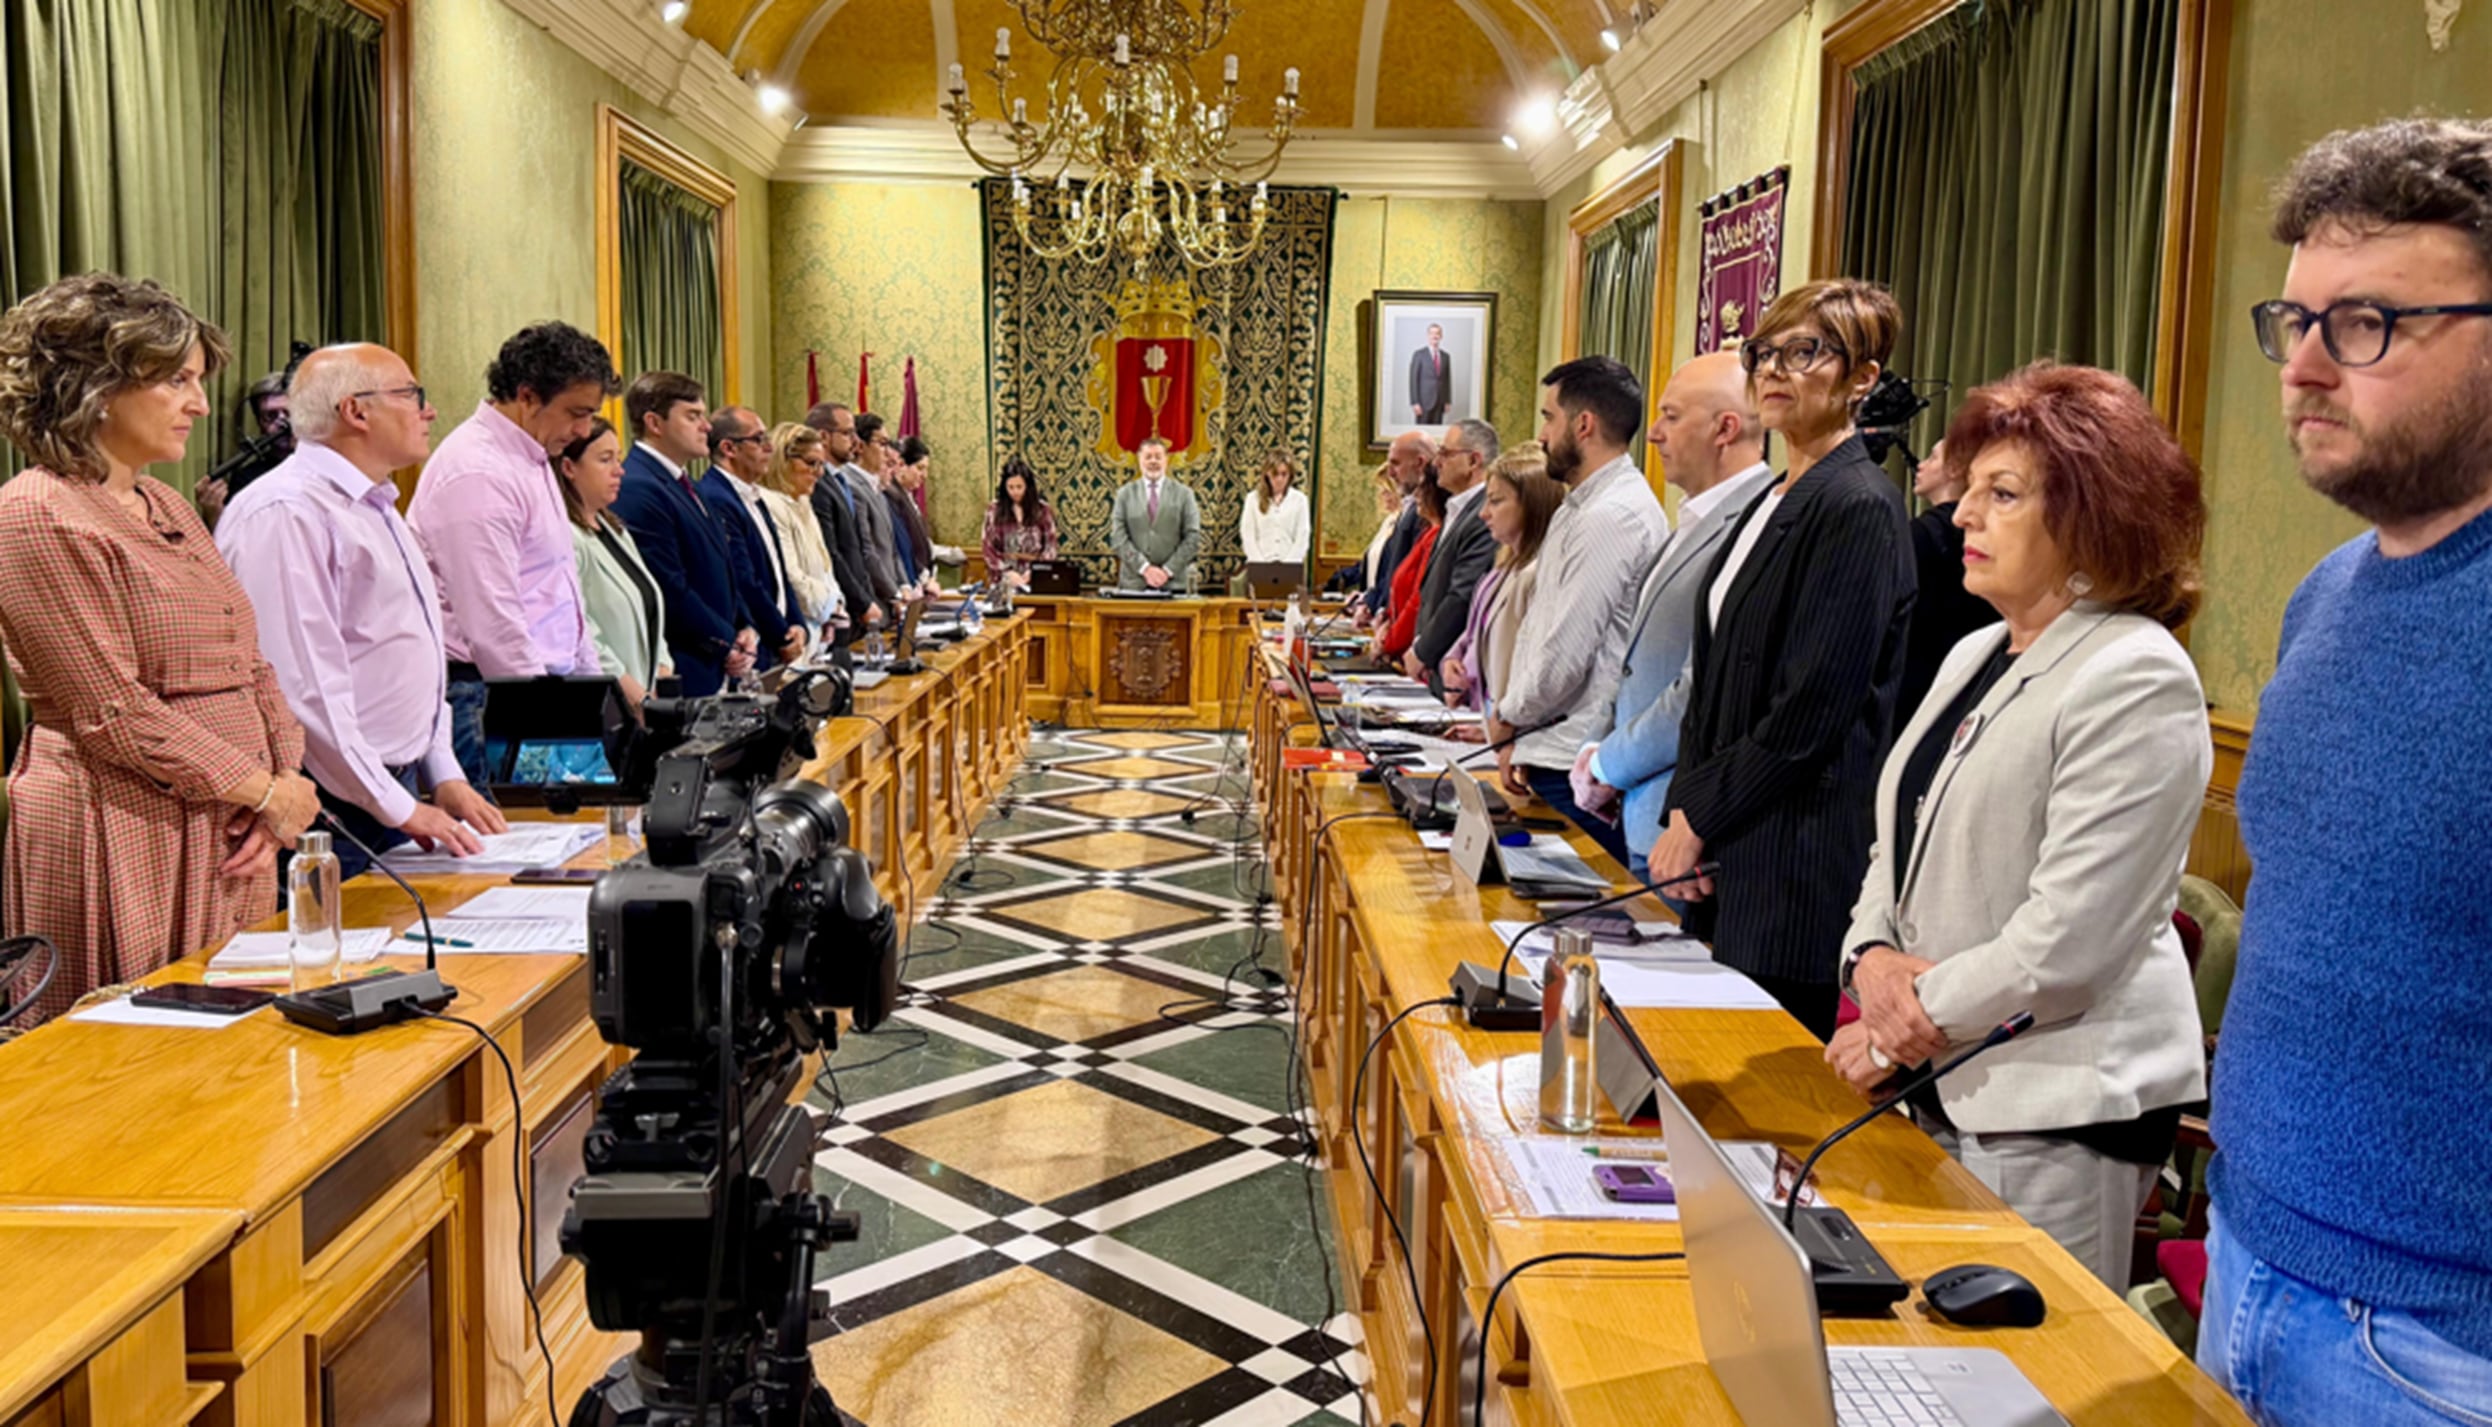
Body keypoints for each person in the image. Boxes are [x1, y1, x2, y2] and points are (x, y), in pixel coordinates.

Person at [2197, 117, 2492, 1425]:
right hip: (2247, 1263)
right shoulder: (2327, 592)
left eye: (2365, 322)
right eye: (2295, 321)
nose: (2306, 367)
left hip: (2439, 1347)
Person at [1827, 363, 2212, 1288]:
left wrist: (1898, 1024)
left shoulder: (2136, 673)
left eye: (2003, 494)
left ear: (2094, 519)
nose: (1962, 513)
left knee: (2024, 1364)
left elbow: (2069, 938)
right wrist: (1869, 958)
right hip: (1942, 1079)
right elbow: (1897, 843)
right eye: (1971, 488)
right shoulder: (1977, 649)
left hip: (2055, 1107)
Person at [0, 274, 319, 1023]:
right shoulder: (35, 513)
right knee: (129, 1057)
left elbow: (249, 662)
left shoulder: (164, 502)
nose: (200, 405)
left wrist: (285, 781)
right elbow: (112, 711)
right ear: (94, 386)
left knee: (230, 1045)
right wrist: (263, 791)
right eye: (177, 380)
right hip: (118, 821)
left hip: (231, 825)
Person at [1652, 279, 1916, 1041]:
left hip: (1793, 861)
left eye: (1803, 352)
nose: (1773, 369)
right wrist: (1685, 809)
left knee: (1759, 1090)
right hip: (1732, 846)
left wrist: (1700, 816)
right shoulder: (1774, 495)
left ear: (1862, 377)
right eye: (1763, 352)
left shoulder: (1859, 504)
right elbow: (1717, 682)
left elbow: (1809, 711)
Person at [215, 343, 507, 881]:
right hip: (330, 801)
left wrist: (441, 770)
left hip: (386, 789)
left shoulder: (375, 503)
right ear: (355, 411)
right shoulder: (286, 511)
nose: (428, 411)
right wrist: (396, 806)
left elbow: (413, 654)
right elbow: (304, 690)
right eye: (412, 395)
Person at [1568, 353, 1777, 873]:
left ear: (1725, 429)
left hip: (1685, 826)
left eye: (1672, 416)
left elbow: (1701, 685)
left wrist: (1609, 762)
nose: (1655, 434)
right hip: (1640, 806)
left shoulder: (1757, 524)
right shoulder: (1692, 518)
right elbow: (1633, 662)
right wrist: (1594, 748)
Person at [407, 322, 615, 786]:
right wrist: (548, 726)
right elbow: (493, 623)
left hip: (538, 690)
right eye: (576, 413)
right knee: (514, 832)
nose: (583, 431)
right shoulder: (478, 471)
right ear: (527, 396)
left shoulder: (531, 455)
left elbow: (558, 588)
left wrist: (592, 692)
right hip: (490, 698)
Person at [1491, 356, 1669, 867]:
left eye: (1549, 418)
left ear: (1583, 424)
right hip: (1551, 744)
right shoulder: (1580, 507)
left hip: (1575, 755)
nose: (1542, 435)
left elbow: (1565, 654)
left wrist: (1508, 716)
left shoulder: (1611, 515)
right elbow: (1541, 629)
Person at [609, 372, 757, 697]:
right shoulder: (637, 486)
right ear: (654, 423)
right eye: (693, 416)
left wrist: (744, 625)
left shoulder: (686, 482)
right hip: (684, 665)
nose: (707, 426)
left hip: (715, 660)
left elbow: (723, 566)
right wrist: (727, 641)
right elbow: (668, 586)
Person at [557, 417, 671, 711]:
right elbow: (581, 631)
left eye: (618, 458)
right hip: (607, 702)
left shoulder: (615, 530)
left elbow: (648, 602)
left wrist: (662, 668)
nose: (619, 470)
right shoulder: (566, 537)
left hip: (646, 693)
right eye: (605, 459)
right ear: (569, 468)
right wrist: (630, 690)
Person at [1442, 445, 1561, 728]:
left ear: (1532, 505)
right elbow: (1477, 629)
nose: (1483, 514)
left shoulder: (1538, 574)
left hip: (1508, 726)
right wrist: (1453, 659)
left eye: (1495, 502)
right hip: (1484, 717)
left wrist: (1497, 726)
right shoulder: (1504, 566)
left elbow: (1530, 668)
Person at [1896, 438, 2002, 725]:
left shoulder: (1917, 537)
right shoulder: (1984, 542)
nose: (1921, 465)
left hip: (1915, 680)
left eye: (1932, 458)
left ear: (1955, 469)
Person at [703, 405, 808, 666]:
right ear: (729, 448)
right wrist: (781, 635)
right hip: (753, 643)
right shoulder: (716, 497)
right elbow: (744, 580)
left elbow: (777, 571)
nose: (769, 448)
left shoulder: (754, 495)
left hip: (775, 638)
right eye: (759, 439)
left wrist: (796, 623)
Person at [1408, 418, 1500, 687]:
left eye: (1445, 454)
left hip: (1454, 668)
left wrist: (1423, 651)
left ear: (1473, 460)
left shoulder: (1482, 515)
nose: (1437, 462)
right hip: (1435, 664)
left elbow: (1462, 594)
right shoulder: (1457, 508)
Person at [802, 402, 885, 632]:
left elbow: (856, 550)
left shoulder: (839, 481)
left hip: (856, 607)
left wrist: (867, 598)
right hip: (838, 611)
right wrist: (862, 602)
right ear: (824, 437)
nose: (856, 442)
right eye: (848, 433)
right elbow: (831, 554)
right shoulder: (817, 485)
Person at [760, 422, 845, 636]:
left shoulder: (803, 502)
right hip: (795, 626)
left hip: (818, 624)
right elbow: (791, 576)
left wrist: (835, 606)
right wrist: (829, 608)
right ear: (783, 460)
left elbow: (825, 565)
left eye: (822, 464)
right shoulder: (770, 504)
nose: (819, 473)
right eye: (811, 463)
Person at [1108, 436, 1203, 590]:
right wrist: (1145, 569)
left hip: (1174, 584)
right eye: (1148, 457)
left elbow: (1193, 538)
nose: (1153, 461)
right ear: (1139, 460)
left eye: (1158, 457)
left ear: (1166, 460)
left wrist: (1167, 571)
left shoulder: (1185, 494)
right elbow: (1118, 538)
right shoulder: (1124, 494)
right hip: (1134, 584)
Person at [1359, 433, 1434, 624]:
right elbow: (1391, 570)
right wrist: (1370, 602)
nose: (1391, 473)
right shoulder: (1409, 507)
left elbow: (1414, 582)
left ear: (1420, 463)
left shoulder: (1428, 512)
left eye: (1395, 464)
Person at [1375, 469, 1445, 661]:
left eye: (1423, 488)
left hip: (1410, 651)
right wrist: (1386, 622)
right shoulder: (1425, 534)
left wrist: (1389, 642)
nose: (1416, 495)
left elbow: (1418, 598)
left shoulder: (1435, 537)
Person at [982, 457, 1059, 588]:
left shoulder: (1042, 510)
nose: (1015, 492)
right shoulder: (994, 510)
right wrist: (1007, 572)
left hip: (1035, 577)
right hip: (1003, 578)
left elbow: (1051, 547)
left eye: (1019, 487)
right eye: (1010, 487)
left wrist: (1036, 570)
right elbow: (988, 548)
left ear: (1028, 486)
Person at [883, 433, 937, 593]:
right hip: (908, 583)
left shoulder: (907, 495)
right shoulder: (892, 496)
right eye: (920, 468)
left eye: (926, 469)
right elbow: (902, 545)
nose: (924, 476)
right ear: (901, 465)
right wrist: (923, 579)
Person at [1238, 450, 1311, 565]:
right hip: (1260, 565)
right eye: (1275, 474)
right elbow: (1248, 536)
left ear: (1290, 475)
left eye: (1284, 474)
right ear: (1267, 473)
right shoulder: (1253, 499)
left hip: (1290, 566)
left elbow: (1302, 537)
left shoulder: (1300, 500)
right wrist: (1261, 565)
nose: (1280, 479)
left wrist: (1287, 565)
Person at [1410, 322, 1452, 423]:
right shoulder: (1419, 355)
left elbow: (1447, 380)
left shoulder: (1446, 356)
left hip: (1440, 402)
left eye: (1437, 333)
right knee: (1422, 430)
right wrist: (1415, 402)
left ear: (1441, 336)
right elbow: (1413, 379)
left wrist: (1447, 401)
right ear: (1428, 335)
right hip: (1423, 402)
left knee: (1437, 430)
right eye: (1432, 333)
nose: (1434, 336)